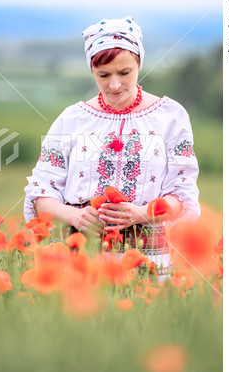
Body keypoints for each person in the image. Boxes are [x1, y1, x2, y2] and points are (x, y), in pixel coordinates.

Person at [24, 16, 200, 278]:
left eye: (124, 73)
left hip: (149, 261)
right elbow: (41, 193)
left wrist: (140, 213)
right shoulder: (72, 120)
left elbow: (183, 196)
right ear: (91, 71)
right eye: (103, 75)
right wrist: (74, 217)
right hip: (80, 262)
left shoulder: (170, 117)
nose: (114, 85)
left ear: (139, 63)